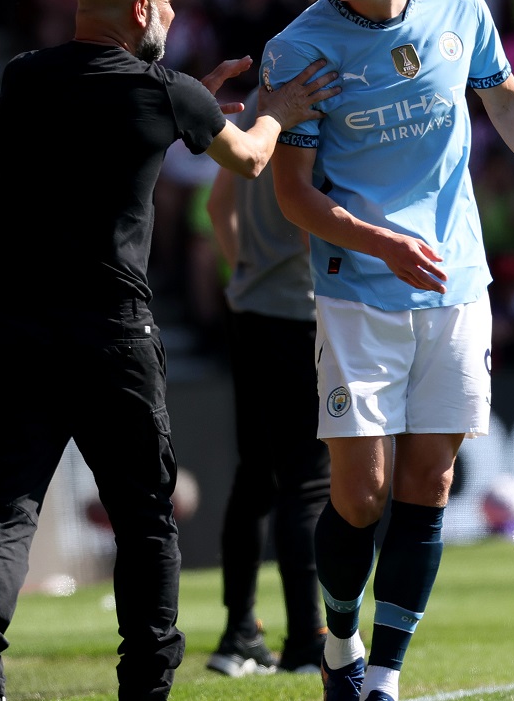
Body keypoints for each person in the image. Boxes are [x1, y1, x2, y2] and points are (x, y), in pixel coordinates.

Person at [0, 0, 340, 701]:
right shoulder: (166, 92)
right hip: (112, 340)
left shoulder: (21, 80)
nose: (174, 13)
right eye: (167, 2)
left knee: (1, 515)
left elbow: (108, 112)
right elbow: (253, 159)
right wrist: (274, 110)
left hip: (18, 335)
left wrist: (192, 102)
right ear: (139, 9)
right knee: (146, 519)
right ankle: (147, 685)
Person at [265, 0, 514, 701]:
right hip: (356, 290)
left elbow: (506, 99)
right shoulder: (297, 48)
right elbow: (294, 194)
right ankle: (337, 639)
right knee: (361, 493)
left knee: (431, 485)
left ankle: (383, 674)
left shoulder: (459, 8)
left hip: (455, 283)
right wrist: (381, 241)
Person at [203, 81, 331, 678]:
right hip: (300, 314)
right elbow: (312, 216)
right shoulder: (326, 100)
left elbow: (216, 205)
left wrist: (244, 272)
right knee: (307, 482)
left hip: (249, 308)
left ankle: (238, 635)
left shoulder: (262, 102)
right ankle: (307, 639)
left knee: (255, 476)